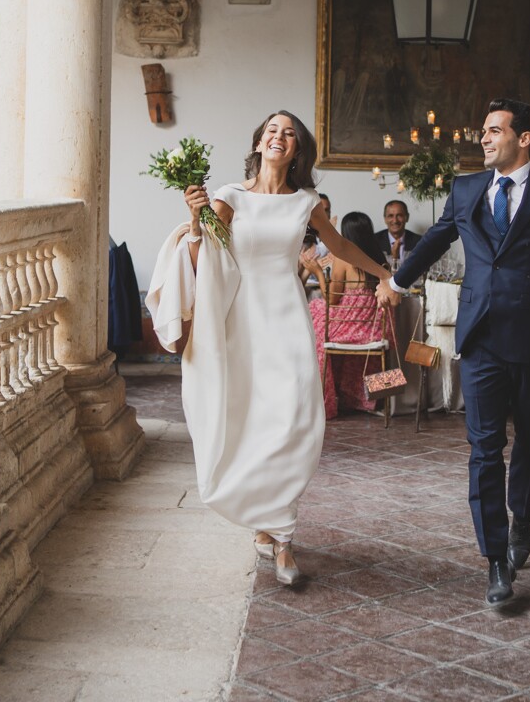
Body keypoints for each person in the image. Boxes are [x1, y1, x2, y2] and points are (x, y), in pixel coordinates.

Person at [146, 110, 393, 587]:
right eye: (272, 131)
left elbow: (339, 246)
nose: (280, 137)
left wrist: (385, 274)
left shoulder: (307, 202)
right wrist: (195, 222)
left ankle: (282, 535)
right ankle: (271, 526)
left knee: (296, 416)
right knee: (250, 418)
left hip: (286, 318)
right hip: (241, 319)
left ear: (297, 150)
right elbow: (205, 257)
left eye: (290, 134)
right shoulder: (229, 197)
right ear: (259, 143)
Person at [377, 99, 530, 604]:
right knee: (483, 449)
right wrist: (395, 279)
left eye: (495, 130)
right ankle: (495, 558)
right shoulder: (467, 188)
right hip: (478, 338)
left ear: (524, 139)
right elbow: (436, 238)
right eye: (483, 130)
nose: (483, 138)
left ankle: (521, 517)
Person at [304, 211, 396, 418]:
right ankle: (366, 399)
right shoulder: (381, 261)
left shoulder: (343, 260)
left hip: (348, 327)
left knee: (314, 316)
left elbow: (332, 299)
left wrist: (318, 272)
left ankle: (325, 396)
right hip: (373, 331)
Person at [372, 199, 420, 267]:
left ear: (407, 217)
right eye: (390, 216)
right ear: (385, 219)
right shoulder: (374, 241)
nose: (395, 220)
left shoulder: (420, 242)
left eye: (399, 215)